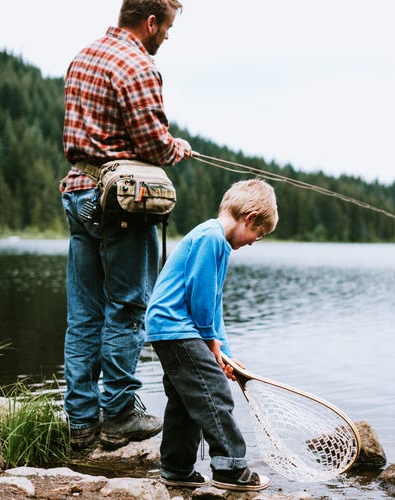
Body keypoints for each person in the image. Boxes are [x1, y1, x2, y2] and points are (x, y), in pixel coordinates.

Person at [59, 0, 191, 450]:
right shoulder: (138, 65)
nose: (167, 37)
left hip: (78, 194)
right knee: (128, 308)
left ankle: (80, 422)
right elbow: (154, 147)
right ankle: (117, 414)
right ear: (150, 22)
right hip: (119, 205)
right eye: (167, 27)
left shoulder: (83, 56)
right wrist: (178, 148)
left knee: (84, 314)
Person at [145, 179, 277, 491]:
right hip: (177, 327)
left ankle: (176, 468)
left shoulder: (217, 242)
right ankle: (230, 468)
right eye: (258, 234)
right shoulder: (211, 238)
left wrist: (224, 353)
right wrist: (208, 341)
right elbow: (199, 297)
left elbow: (214, 305)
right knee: (215, 393)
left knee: (186, 399)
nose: (254, 242)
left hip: (172, 330)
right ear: (249, 217)